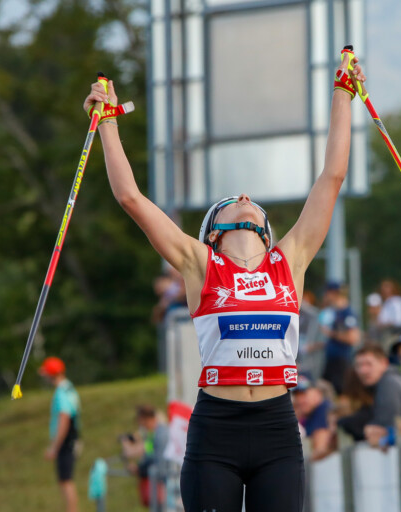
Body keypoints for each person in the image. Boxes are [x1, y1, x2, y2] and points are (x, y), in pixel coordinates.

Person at [83, 49, 366, 512]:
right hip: (217, 429)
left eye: (251, 200)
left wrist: (343, 93)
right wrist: (108, 121)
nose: (247, 197)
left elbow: (332, 177)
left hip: (277, 427)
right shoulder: (199, 264)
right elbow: (131, 198)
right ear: (213, 231)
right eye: (234, 199)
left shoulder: (289, 259)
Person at [350, 344, 401, 449]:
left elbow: (387, 424)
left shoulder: (388, 383)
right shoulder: (391, 380)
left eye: (368, 364)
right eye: (358, 365)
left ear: (384, 363)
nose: (363, 370)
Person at [40, 356, 81, 512]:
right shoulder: (68, 387)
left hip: (66, 442)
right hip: (70, 440)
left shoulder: (61, 392)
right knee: (66, 480)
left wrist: (54, 447)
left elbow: (64, 418)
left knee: (66, 481)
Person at [121, 405, 170, 508]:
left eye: (141, 422)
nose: (141, 426)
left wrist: (140, 469)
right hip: (161, 485)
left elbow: (157, 461)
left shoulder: (160, 434)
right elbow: (150, 454)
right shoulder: (153, 433)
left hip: (164, 486)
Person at [320, 281, 362, 395]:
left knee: (340, 391)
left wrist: (332, 333)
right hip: (332, 358)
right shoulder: (333, 311)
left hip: (341, 360)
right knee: (323, 388)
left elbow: (353, 338)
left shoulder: (347, 313)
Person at [292, 376, 334, 461]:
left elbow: (320, 448)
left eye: (304, 394)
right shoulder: (310, 413)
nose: (300, 400)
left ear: (317, 393)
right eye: (297, 396)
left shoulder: (323, 409)